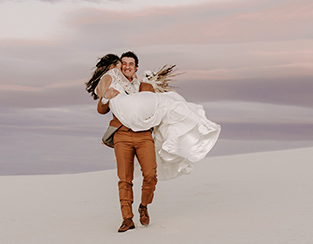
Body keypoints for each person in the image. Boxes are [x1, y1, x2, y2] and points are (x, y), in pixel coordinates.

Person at [86, 52, 221, 232]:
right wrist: (106, 97)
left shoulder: (144, 85)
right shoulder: (114, 81)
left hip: (143, 136)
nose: (126, 66)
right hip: (122, 135)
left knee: (150, 174)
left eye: (130, 64)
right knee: (124, 178)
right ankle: (127, 218)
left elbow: (156, 106)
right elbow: (101, 109)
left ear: (136, 68)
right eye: (123, 63)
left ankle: (144, 206)